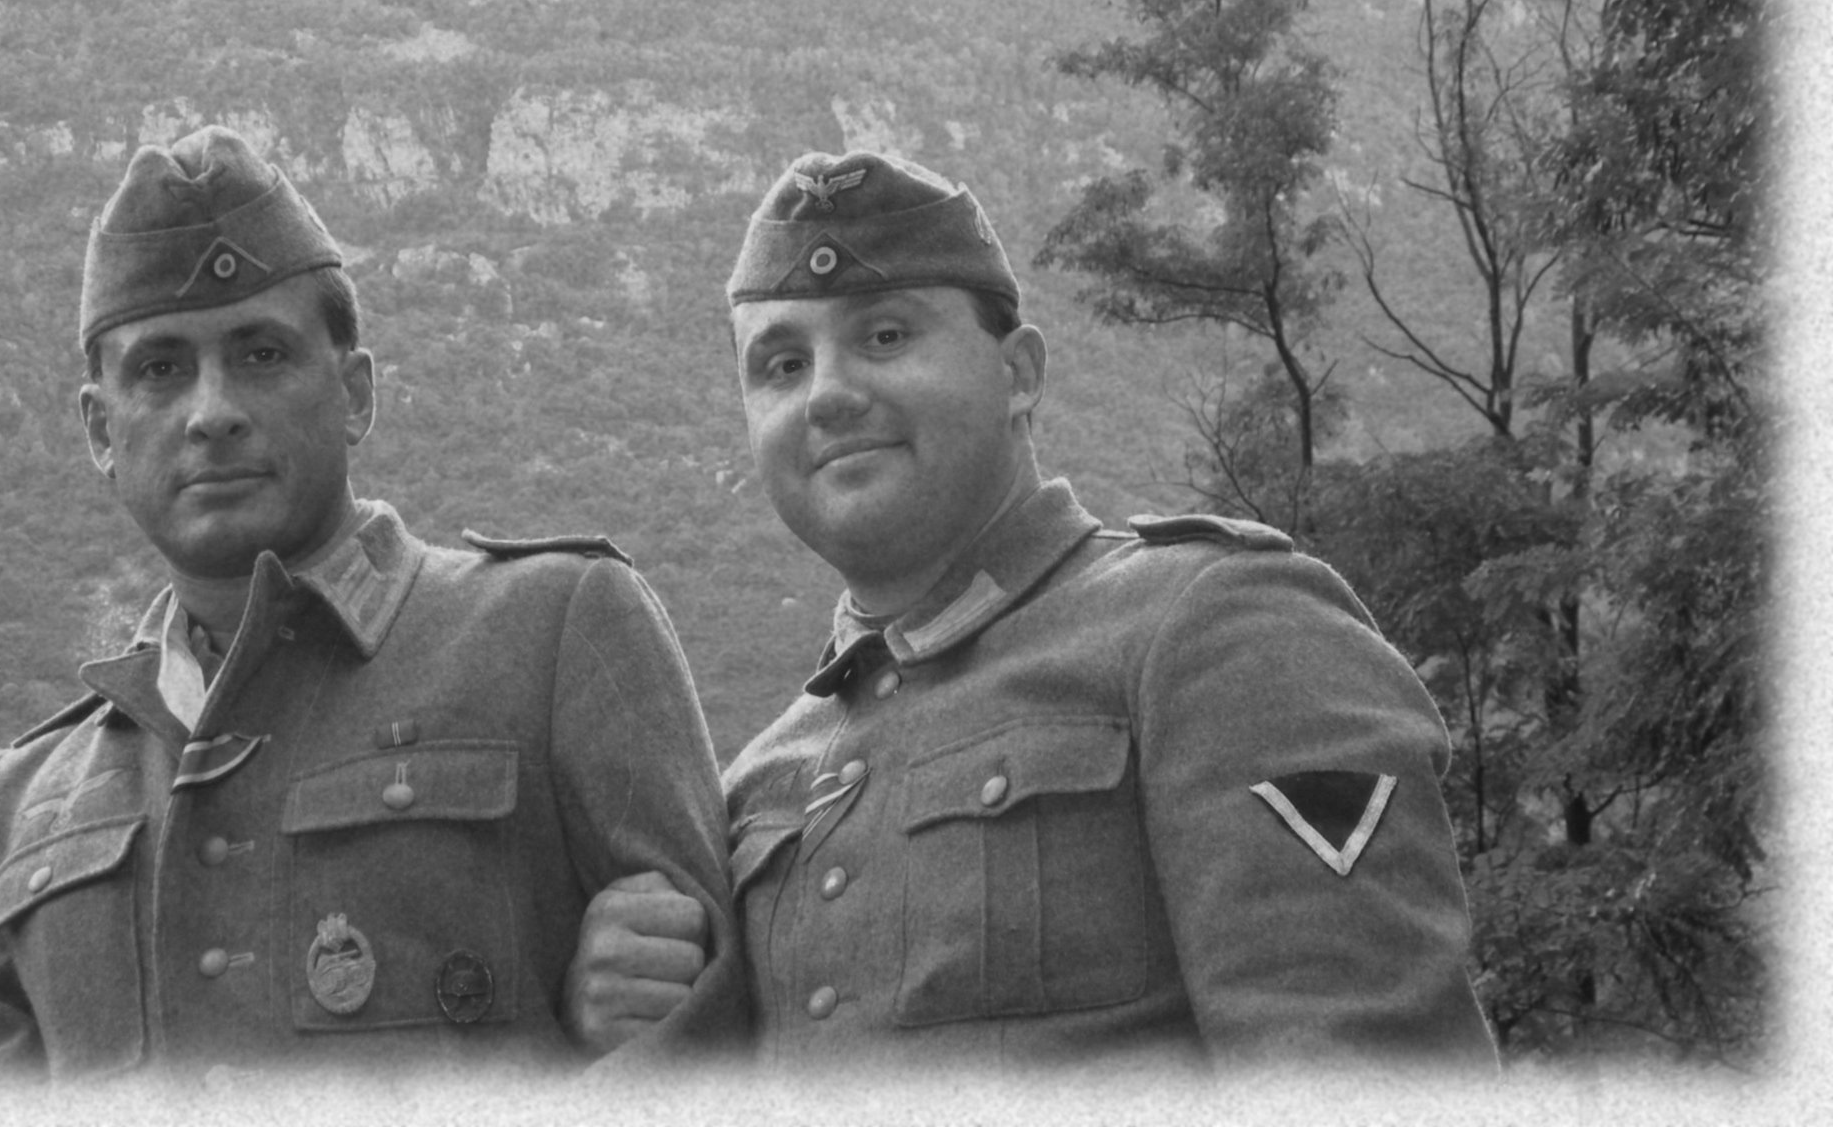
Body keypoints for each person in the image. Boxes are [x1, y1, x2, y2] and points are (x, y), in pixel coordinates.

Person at [567, 149, 1497, 1075]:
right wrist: (613, 1021)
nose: (830, 394)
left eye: (885, 336)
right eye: (782, 365)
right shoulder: (760, 784)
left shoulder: (1218, 627)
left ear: (1019, 373)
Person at [0, 127, 741, 1088]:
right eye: (160, 369)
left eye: (262, 354)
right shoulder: (15, 807)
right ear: (102, 429)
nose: (212, 412)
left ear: (354, 395)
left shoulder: (558, 630)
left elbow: (709, 1043)